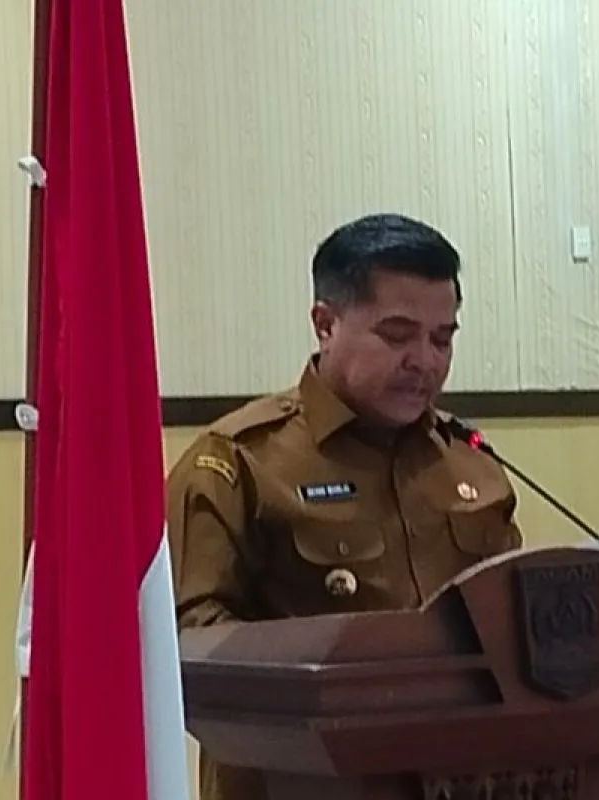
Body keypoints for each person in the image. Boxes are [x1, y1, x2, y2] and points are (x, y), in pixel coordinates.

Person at [165, 212, 524, 800]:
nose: (425, 361)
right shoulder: (239, 463)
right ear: (325, 324)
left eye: (442, 338)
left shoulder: (472, 465)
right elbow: (192, 651)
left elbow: (516, 624)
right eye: (398, 335)